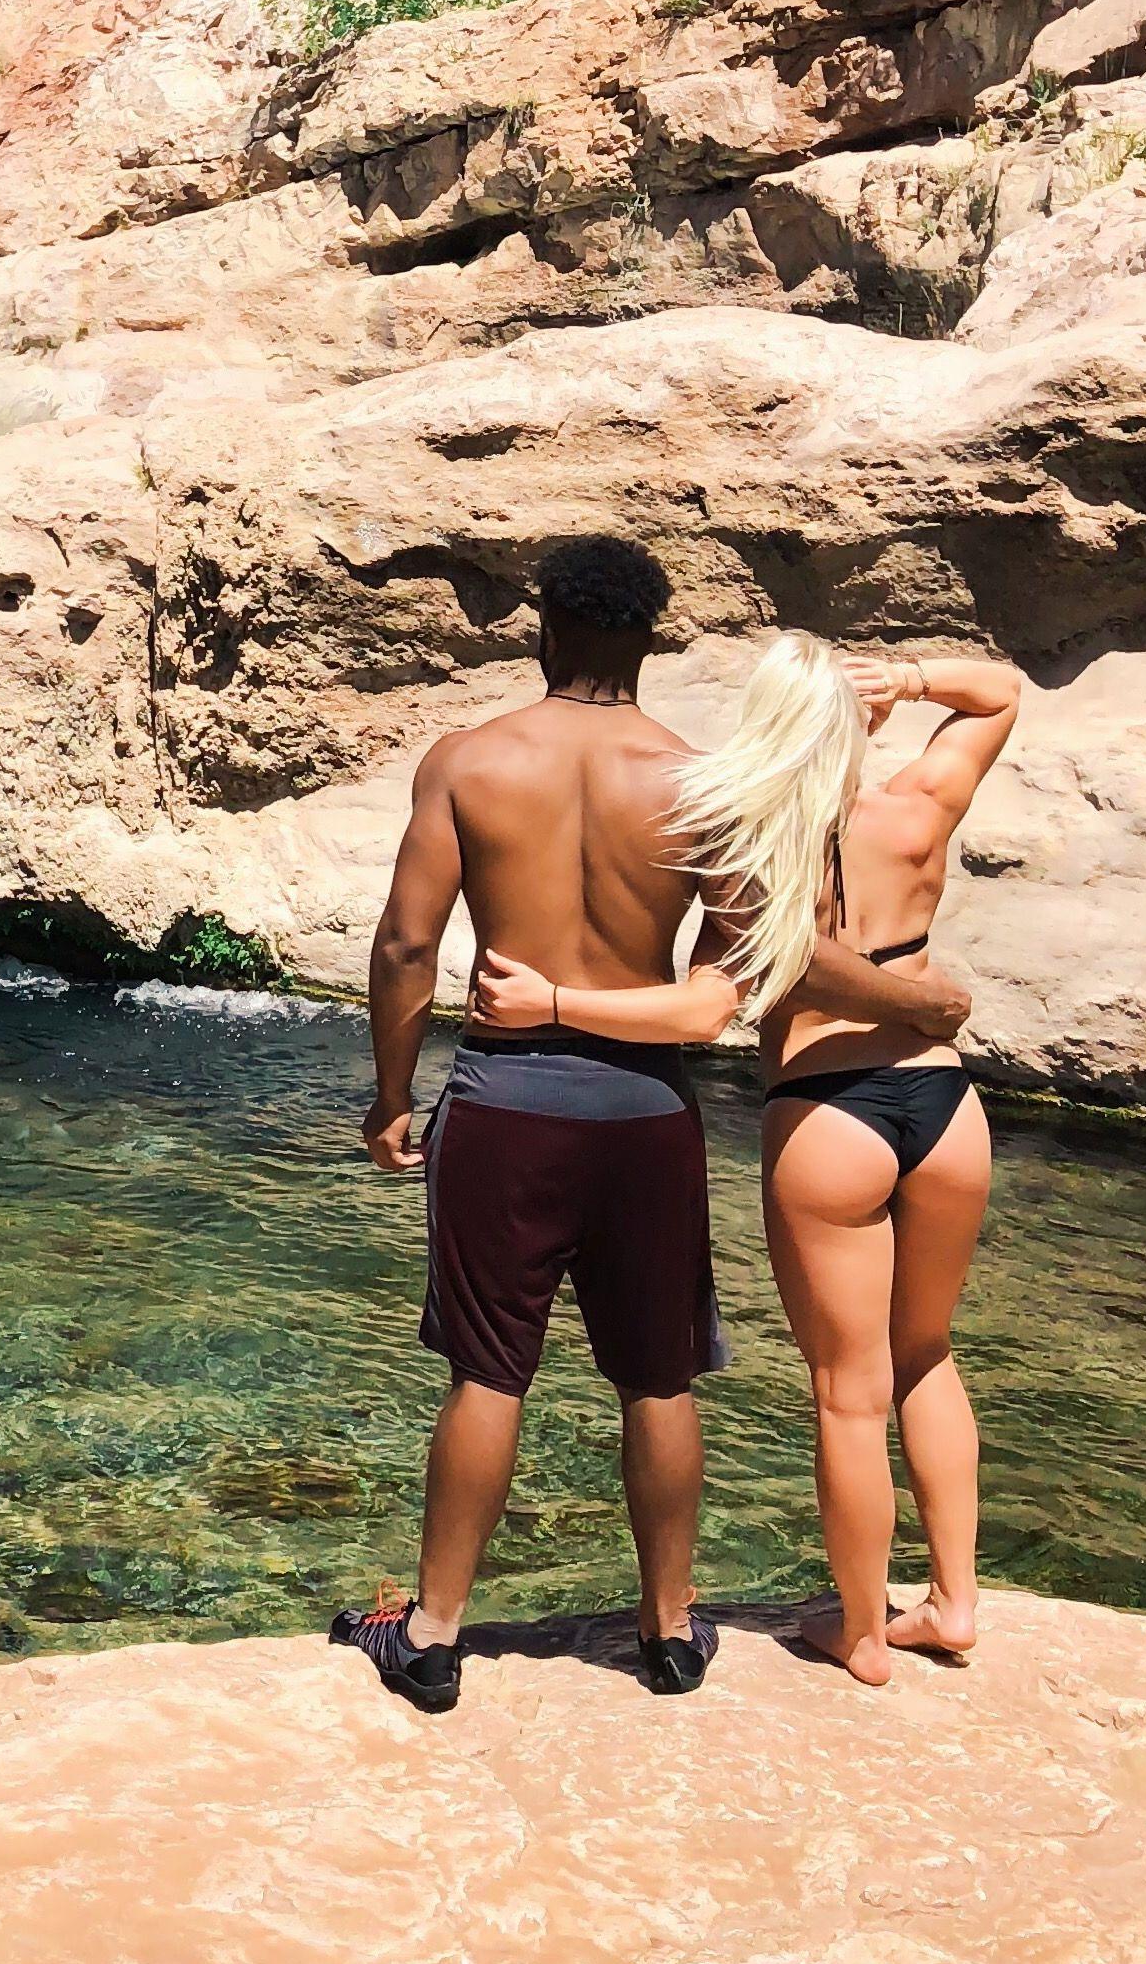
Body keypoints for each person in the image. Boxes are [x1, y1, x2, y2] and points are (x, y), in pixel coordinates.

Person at [337, 541, 972, 1718]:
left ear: (543, 632)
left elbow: (405, 947)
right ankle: (671, 1631)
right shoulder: (696, 784)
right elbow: (730, 990)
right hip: (644, 1109)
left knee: (488, 1372)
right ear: (651, 643)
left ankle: (428, 1638)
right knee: (658, 1378)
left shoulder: (470, 763)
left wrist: (390, 1097)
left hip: (507, 1099)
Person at [465, 632, 1024, 1685]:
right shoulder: (917, 810)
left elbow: (717, 1001)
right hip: (947, 1106)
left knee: (846, 1392)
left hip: (829, 1112)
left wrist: (549, 1004)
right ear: (860, 718)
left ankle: (861, 1633)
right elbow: (999, 695)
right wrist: (905, 677)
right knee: (928, 1357)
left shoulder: (749, 844)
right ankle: (952, 1603)